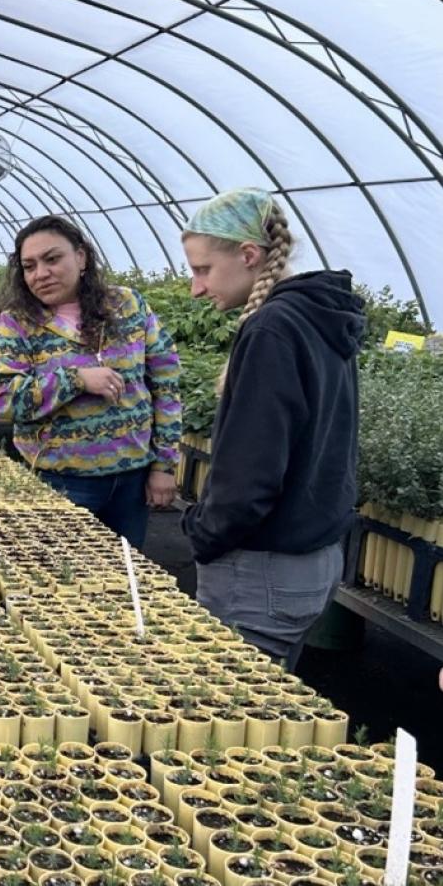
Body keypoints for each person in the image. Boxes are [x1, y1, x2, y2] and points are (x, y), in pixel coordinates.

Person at [180, 188, 364, 670]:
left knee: (225, 715)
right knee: (267, 712)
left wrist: (201, 532)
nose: (196, 288)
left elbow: (250, 475)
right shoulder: (319, 318)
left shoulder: (272, 329)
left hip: (262, 568)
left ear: (248, 255)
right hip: (314, 560)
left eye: (203, 269)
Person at [0, 215, 182, 548]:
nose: (41, 273)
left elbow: (166, 385)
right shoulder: (16, 324)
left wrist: (164, 464)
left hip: (131, 480)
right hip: (59, 481)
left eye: (52, 259)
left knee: (126, 578)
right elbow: (0, 401)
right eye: (29, 266)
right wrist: (74, 380)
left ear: (81, 257)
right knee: (61, 580)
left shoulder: (128, 307)